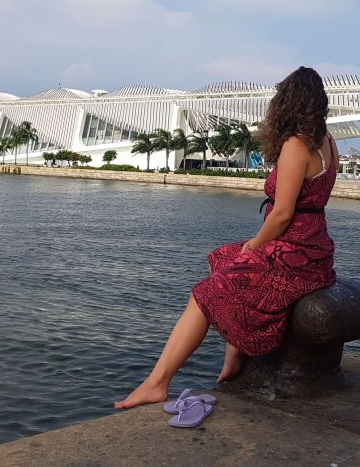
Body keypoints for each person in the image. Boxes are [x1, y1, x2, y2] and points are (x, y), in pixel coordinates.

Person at [114, 66, 338, 409]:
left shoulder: (296, 145)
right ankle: (235, 352)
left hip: (294, 252)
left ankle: (157, 382)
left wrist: (256, 243)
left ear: (287, 102)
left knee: (207, 291)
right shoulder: (327, 142)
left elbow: (281, 214)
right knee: (223, 257)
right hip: (316, 250)